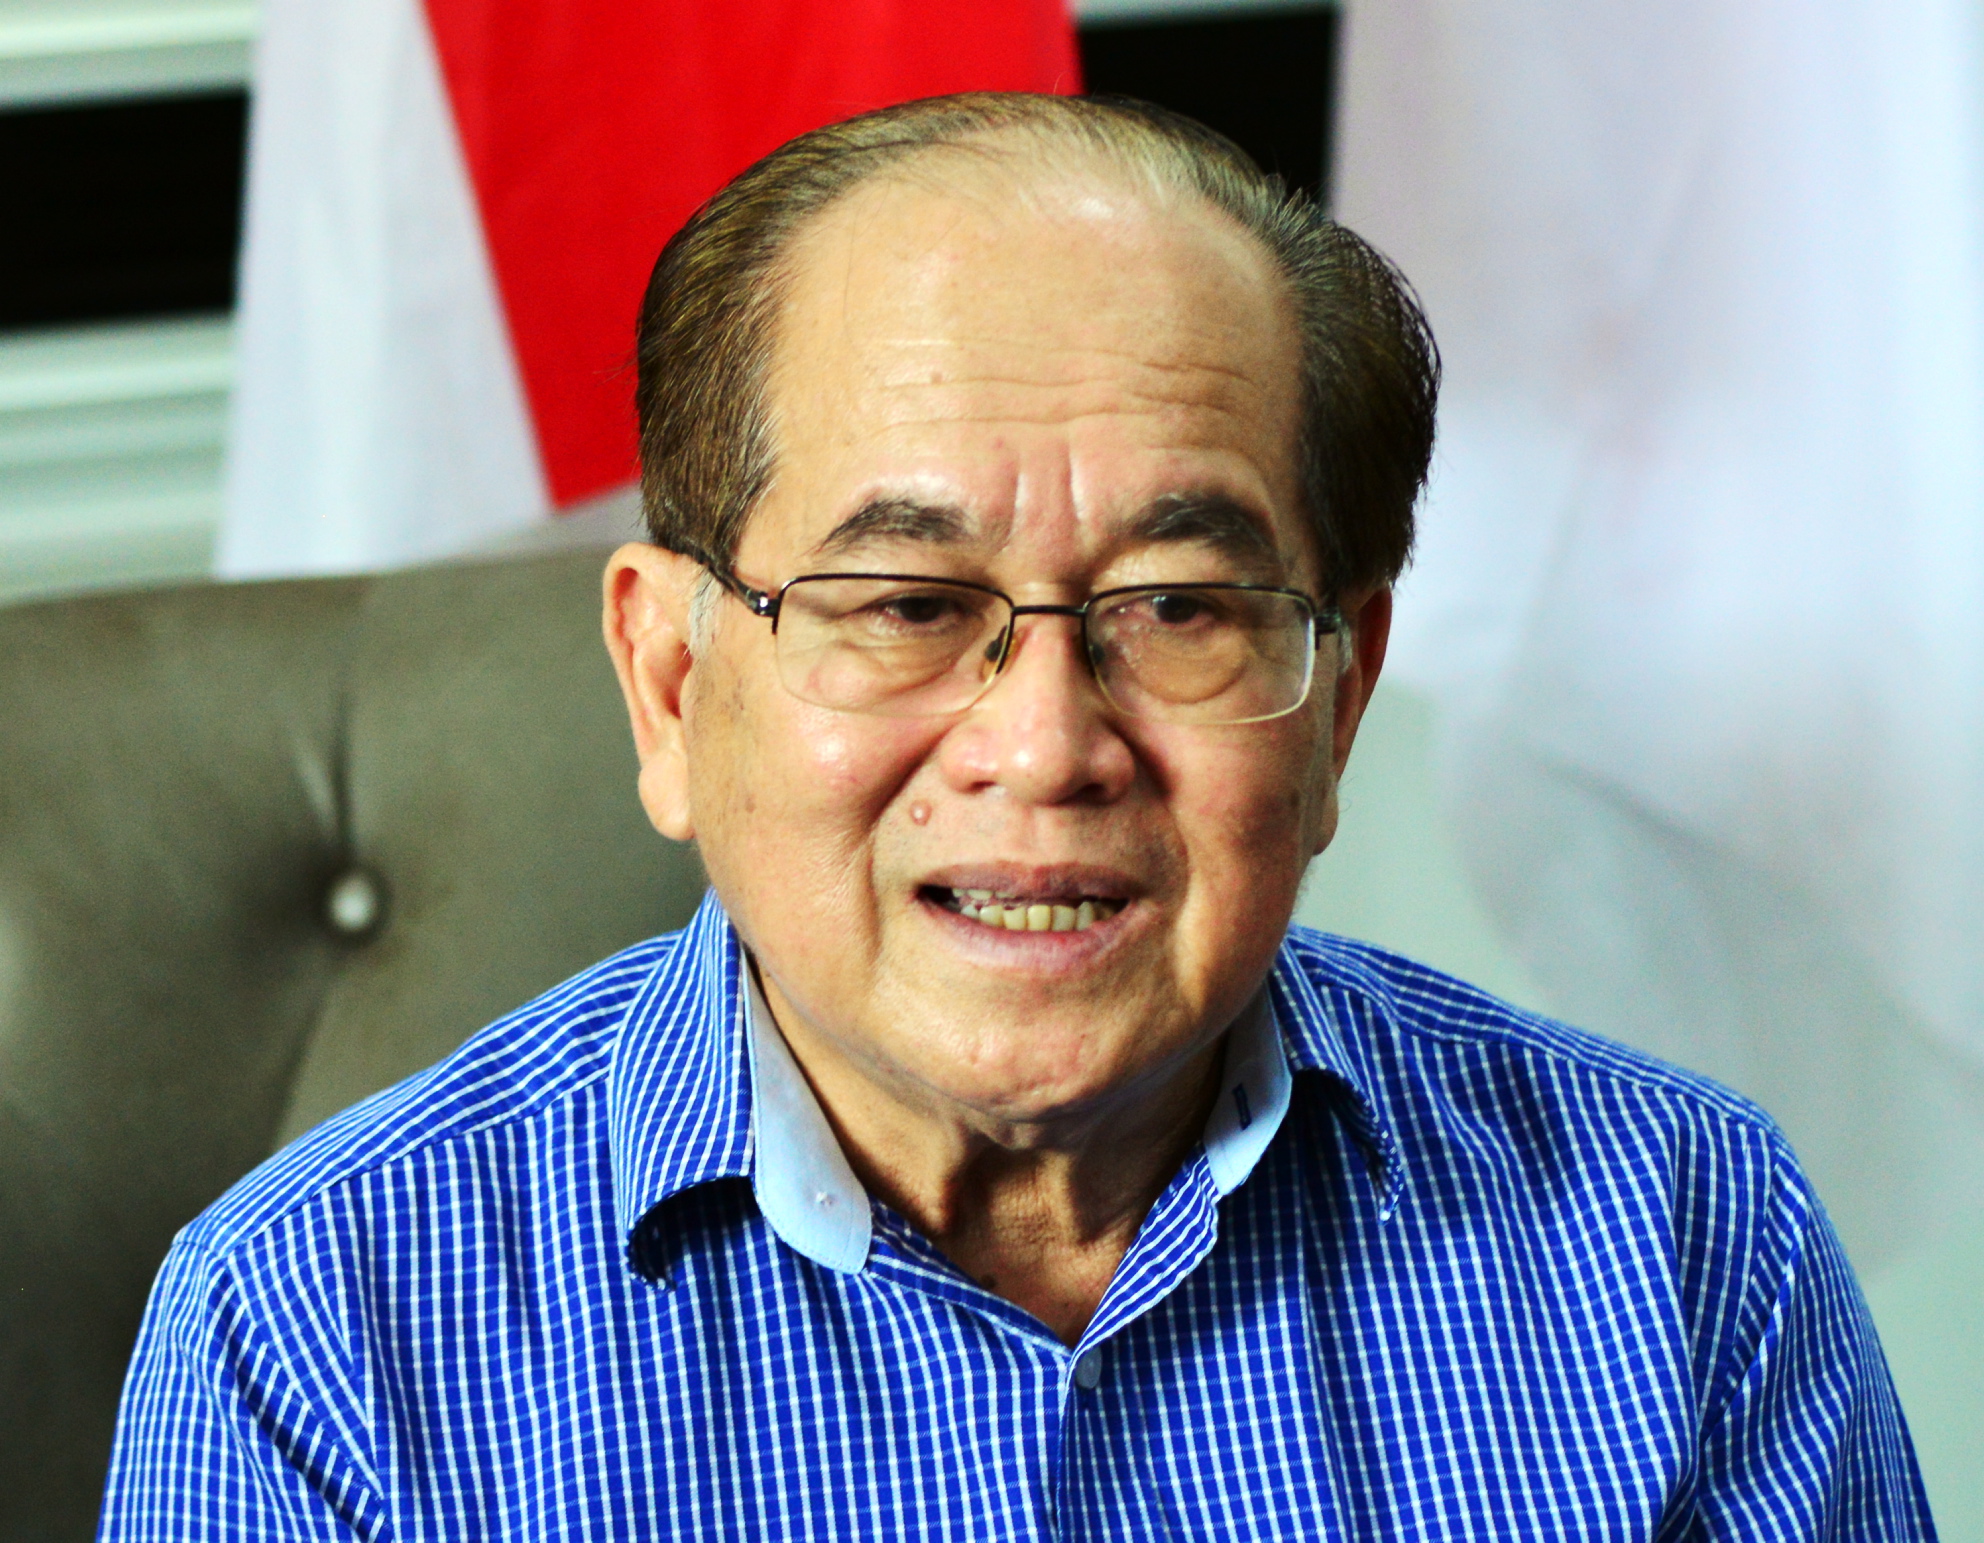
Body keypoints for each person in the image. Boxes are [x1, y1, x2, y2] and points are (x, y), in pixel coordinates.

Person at [98, 94, 1933, 1539]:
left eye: (1181, 607)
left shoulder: (1682, 1239)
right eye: (906, 604)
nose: (1045, 747)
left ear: (1340, 696)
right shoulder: (321, 1333)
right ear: (668, 683)